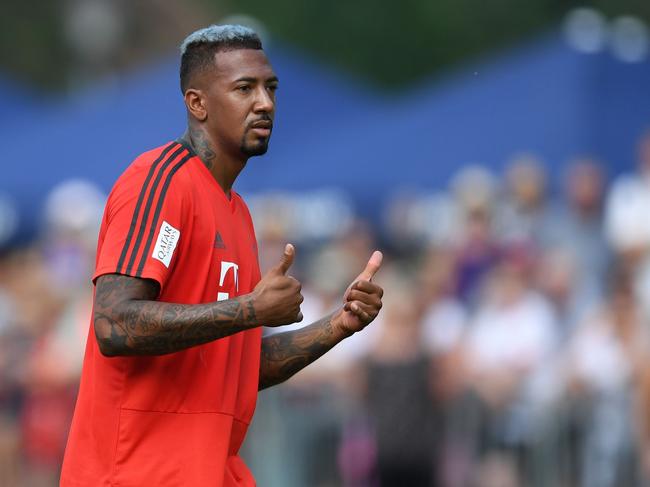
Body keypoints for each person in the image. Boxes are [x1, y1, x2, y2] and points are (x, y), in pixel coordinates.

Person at [60, 24, 384, 487]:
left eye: (270, 87)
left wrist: (338, 325)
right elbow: (114, 323)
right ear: (197, 103)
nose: (265, 103)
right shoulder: (161, 179)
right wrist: (250, 309)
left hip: (210, 472)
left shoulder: (238, 214)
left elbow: (236, 367)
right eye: (244, 88)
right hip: (135, 473)